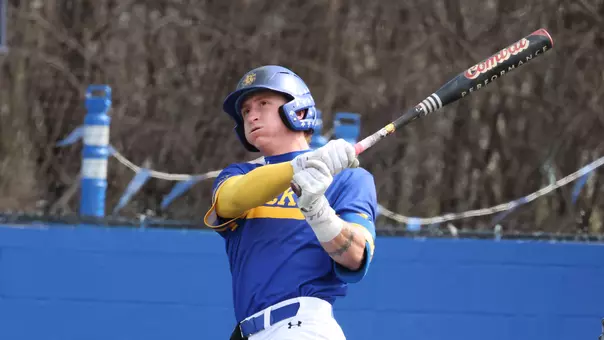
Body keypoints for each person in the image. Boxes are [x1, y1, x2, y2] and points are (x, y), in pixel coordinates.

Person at [204, 65, 378, 340]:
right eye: (246, 110)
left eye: (263, 103)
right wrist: (301, 166)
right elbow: (228, 201)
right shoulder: (238, 175)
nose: (252, 116)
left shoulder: (349, 178)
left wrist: (317, 210)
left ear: (298, 111)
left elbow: (356, 256)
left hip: (303, 327)